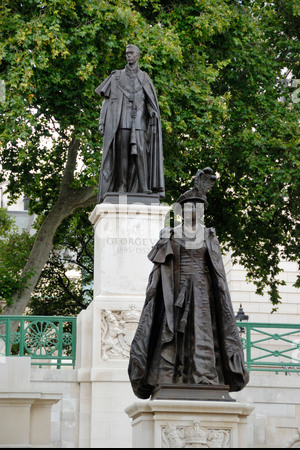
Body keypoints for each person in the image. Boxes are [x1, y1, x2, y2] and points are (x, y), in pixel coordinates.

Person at [128, 168, 249, 399]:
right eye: (189, 206)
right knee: (173, 333)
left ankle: (203, 376)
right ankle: (174, 377)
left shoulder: (209, 236)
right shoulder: (171, 234)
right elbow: (158, 268)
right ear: (182, 210)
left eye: (198, 206)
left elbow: (217, 271)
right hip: (176, 292)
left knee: (203, 333)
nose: (194, 210)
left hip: (204, 294)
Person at [95, 45, 165, 202]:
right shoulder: (116, 77)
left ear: (138, 55)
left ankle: (144, 186)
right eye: (127, 53)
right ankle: (122, 186)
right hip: (121, 122)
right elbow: (106, 102)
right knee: (122, 156)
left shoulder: (145, 78)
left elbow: (149, 101)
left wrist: (152, 112)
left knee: (141, 154)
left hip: (139, 121)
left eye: (132, 53)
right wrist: (102, 122)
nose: (129, 56)